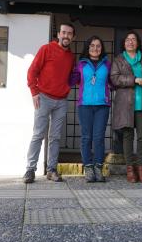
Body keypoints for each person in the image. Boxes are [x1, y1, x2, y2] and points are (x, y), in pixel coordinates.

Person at [23, 23, 76, 184]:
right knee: (38, 134)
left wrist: (68, 87)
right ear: (58, 34)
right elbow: (32, 71)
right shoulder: (46, 49)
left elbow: (70, 76)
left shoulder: (71, 56)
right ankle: (30, 170)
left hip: (61, 100)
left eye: (69, 34)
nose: (66, 36)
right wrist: (34, 92)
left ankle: (51, 170)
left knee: (55, 137)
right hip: (44, 98)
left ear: (73, 37)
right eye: (64, 32)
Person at [110, 31, 142, 183]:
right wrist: (134, 79)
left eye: (133, 39)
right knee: (128, 136)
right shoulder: (119, 59)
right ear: (124, 43)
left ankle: (141, 168)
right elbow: (114, 79)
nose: (130, 42)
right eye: (128, 39)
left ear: (138, 43)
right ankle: (130, 169)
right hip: (125, 104)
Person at [70, 35, 111, 183]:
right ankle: (88, 167)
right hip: (85, 105)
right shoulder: (81, 64)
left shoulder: (107, 64)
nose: (95, 48)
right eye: (92, 46)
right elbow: (72, 80)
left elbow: (113, 81)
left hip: (102, 105)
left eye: (98, 46)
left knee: (99, 138)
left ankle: (98, 167)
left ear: (102, 48)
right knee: (86, 137)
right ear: (88, 48)